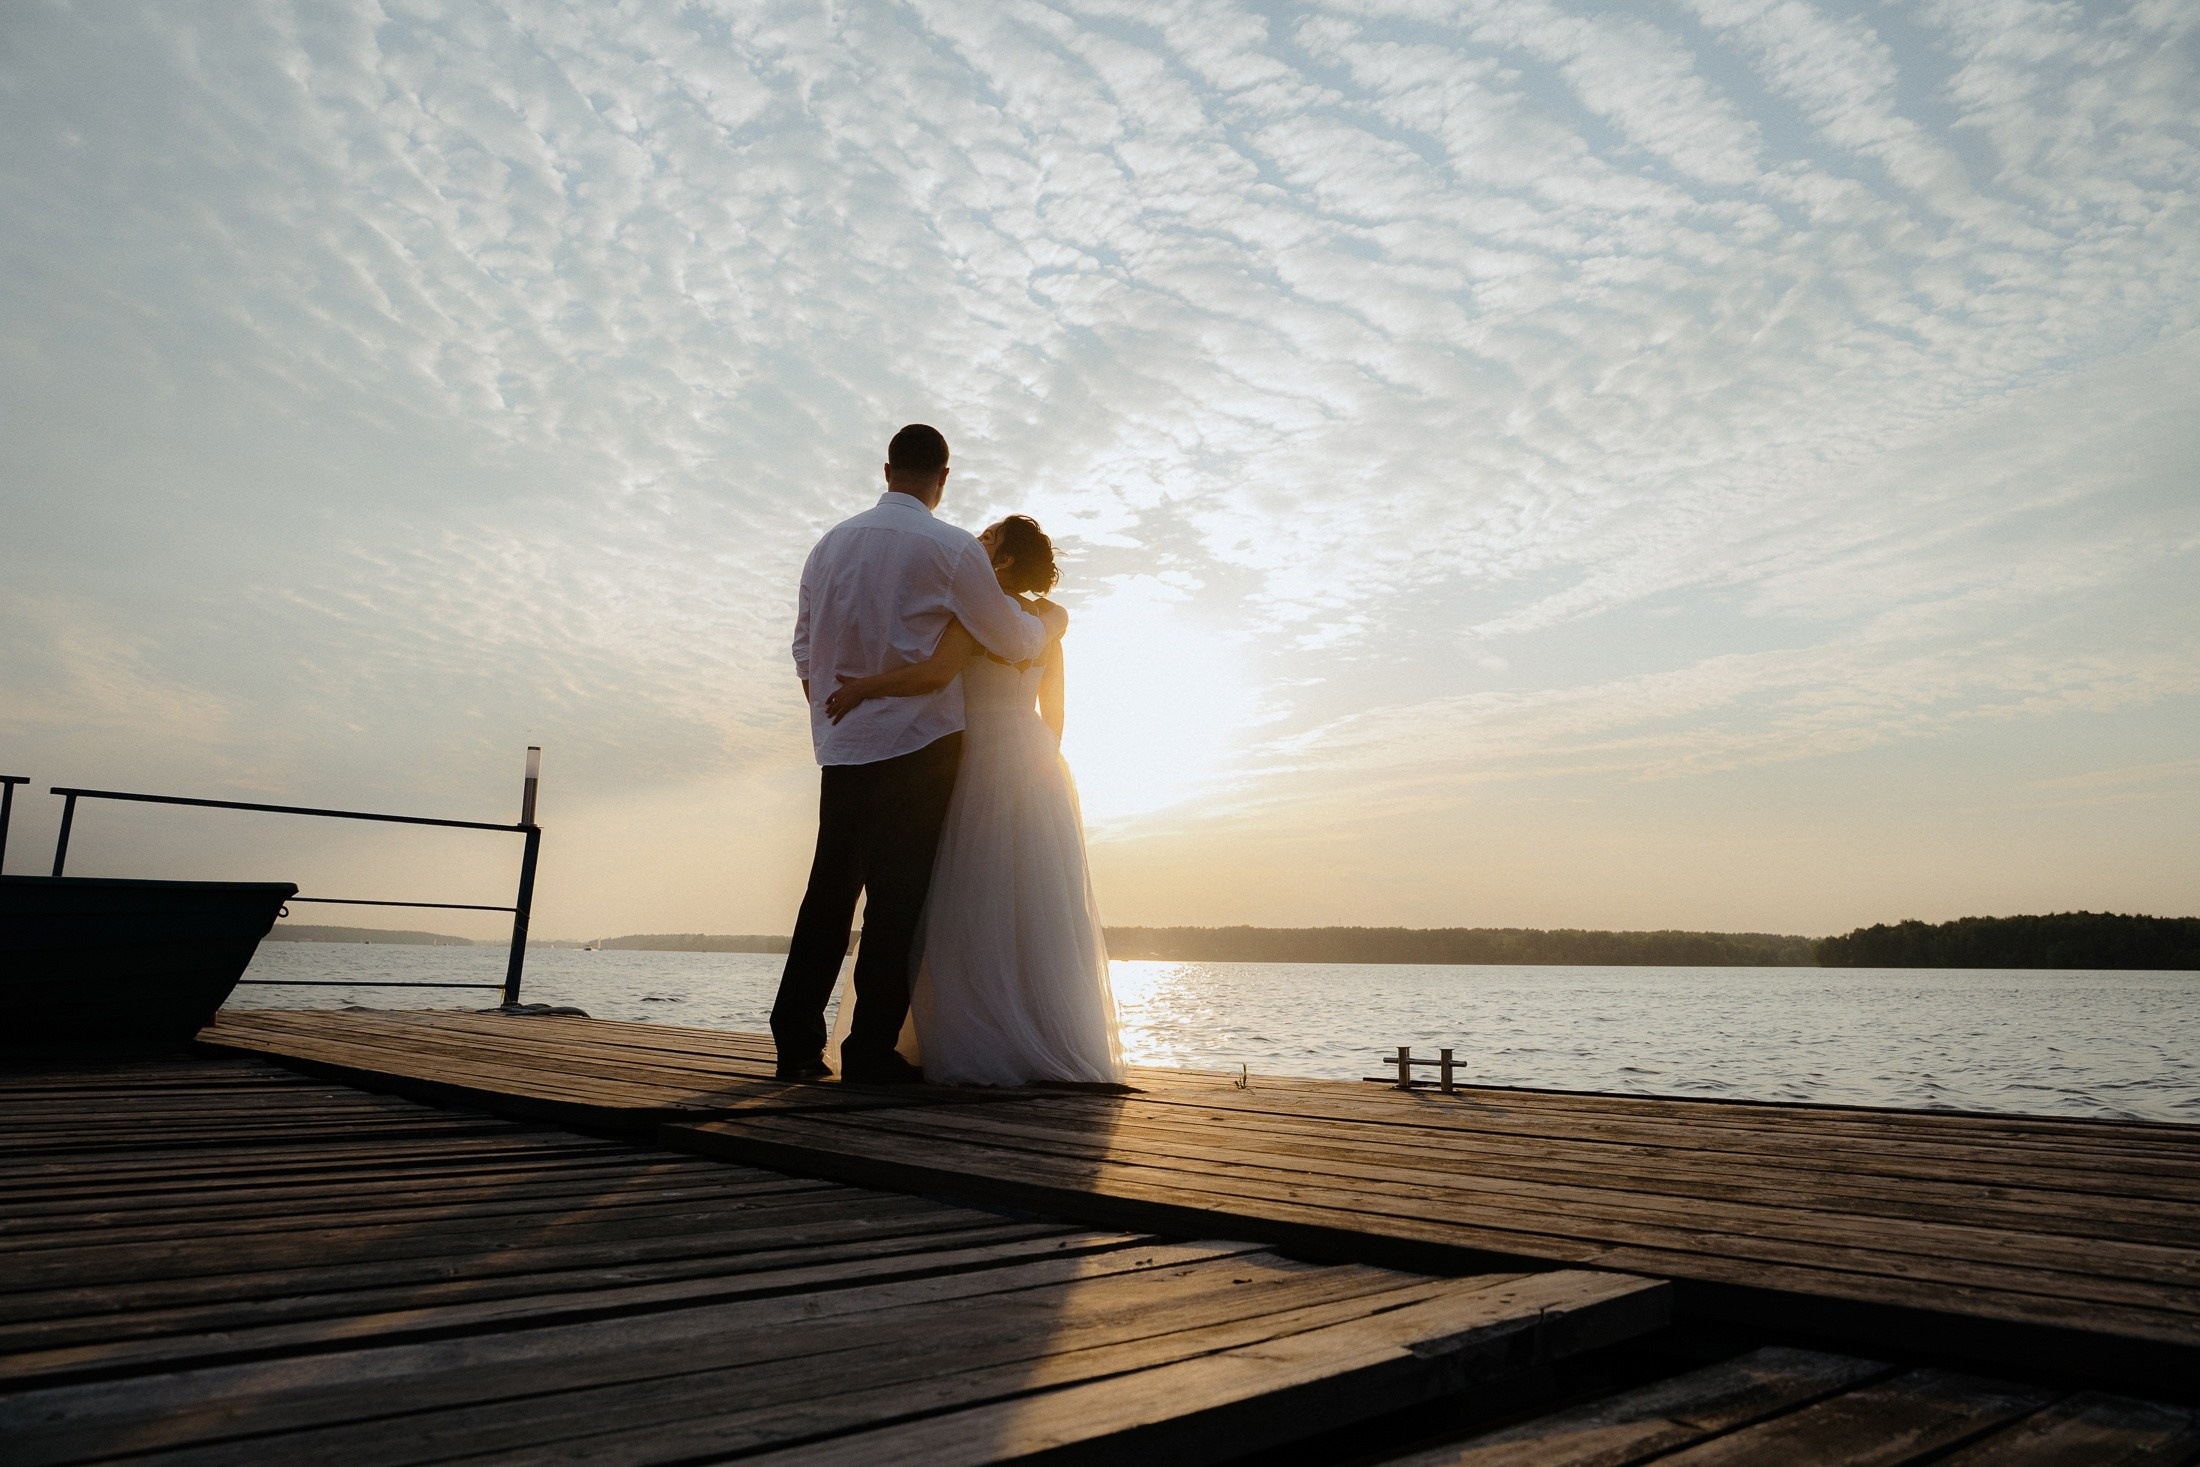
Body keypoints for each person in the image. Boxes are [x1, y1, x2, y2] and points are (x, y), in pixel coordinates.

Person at [772, 425, 1056, 1084]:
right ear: (944, 476)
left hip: (844, 745)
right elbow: (1011, 639)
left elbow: (804, 650)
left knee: (828, 893)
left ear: (887, 469)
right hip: (922, 746)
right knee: (896, 901)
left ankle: (795, 1044)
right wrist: (1051, 622)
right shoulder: (953, 549)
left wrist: (828, 719)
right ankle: (868, 1051)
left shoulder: (828, 547)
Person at [823, 514, 1125, 1086]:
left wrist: (864, 687)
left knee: (963, 900)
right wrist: (1042, 770)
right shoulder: (1048, 623)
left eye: (988, 540)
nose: (977, 544)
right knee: (1033, 905)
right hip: (1035, 765)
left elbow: (933, 677)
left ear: (1005, 561)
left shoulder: (976, 617)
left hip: (976, 760)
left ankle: (964, 1032)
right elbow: (1055, 707)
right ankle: (1040, 1026)